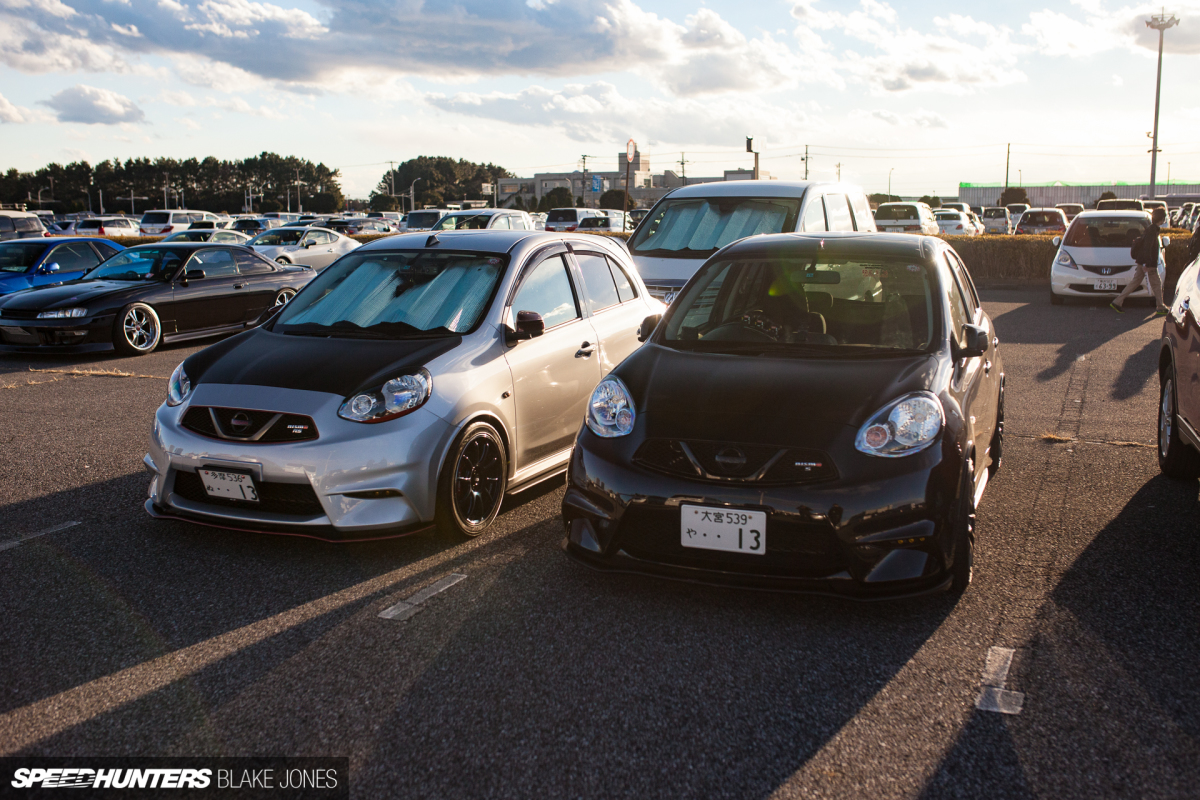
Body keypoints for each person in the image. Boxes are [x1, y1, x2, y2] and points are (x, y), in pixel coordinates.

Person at [1111, 207, 1168, 316]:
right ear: (1161, 219)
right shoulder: (1153, 230)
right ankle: (1160, 306)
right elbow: (1148, 248)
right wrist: (1146, 264)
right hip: (1148, 263)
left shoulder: (1151, 229)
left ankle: (1117, 301)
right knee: (1156, 284)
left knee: (1135, 282)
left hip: (1143, 261)